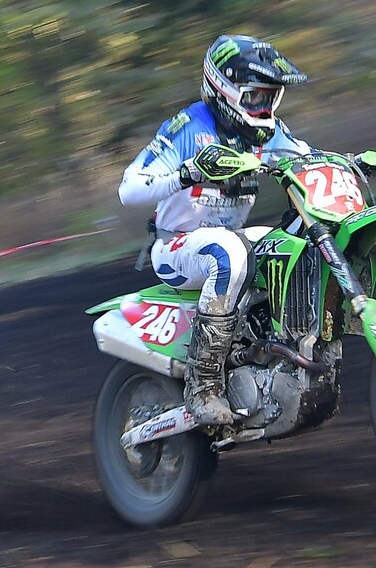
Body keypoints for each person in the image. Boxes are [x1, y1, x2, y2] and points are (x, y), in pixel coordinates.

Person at [117, 34, 309, 426]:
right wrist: (186, 173)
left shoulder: (267, 132)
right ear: (225, 89)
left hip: (230, 239)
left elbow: (306, 157)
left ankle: (282, 355)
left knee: (294, 245)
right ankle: (202, 384)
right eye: (256, 96)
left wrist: (353, 163)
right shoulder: (189, 126)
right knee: (229, 252)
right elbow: (129, 189)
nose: (265, 107)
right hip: (177, 247)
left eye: (271, 97)